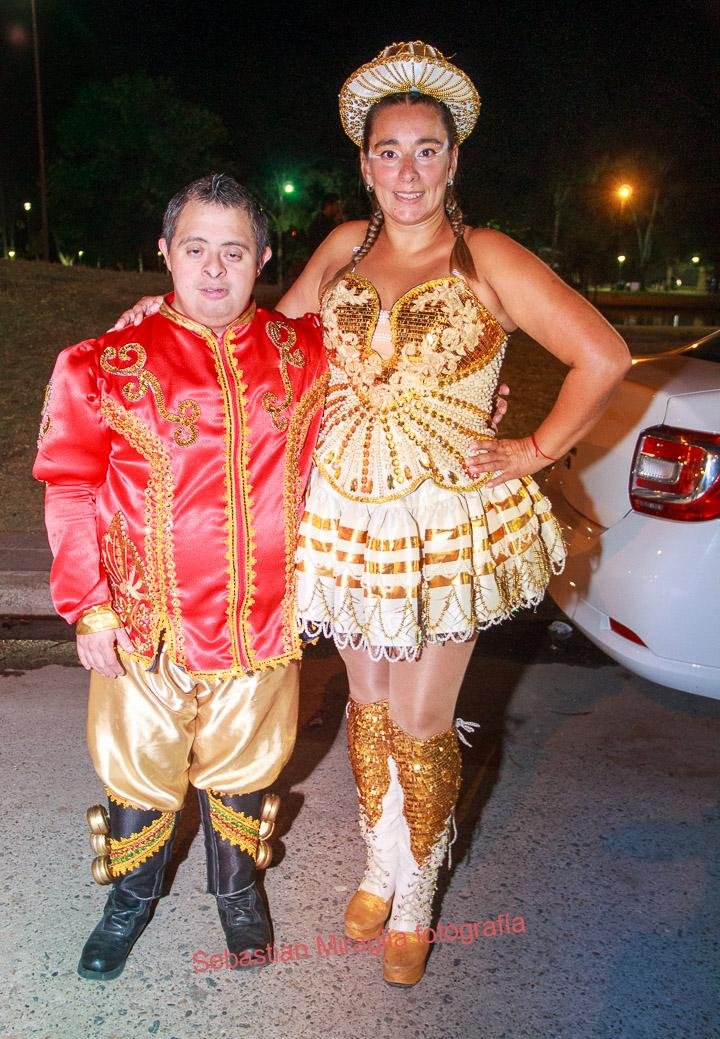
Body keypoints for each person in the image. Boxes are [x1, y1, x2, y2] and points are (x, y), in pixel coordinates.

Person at [113, 41, 631, 989]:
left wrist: (532, 448)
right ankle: (379, 864)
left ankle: (420, 891)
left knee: (425, 720)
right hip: (346, 512)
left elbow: (603, 356)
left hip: (446, 524)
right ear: (364, 163)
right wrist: (169, 315)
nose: (408, 171)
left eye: (427, 150)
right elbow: (267, 340)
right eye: (389, 152)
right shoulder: (346, 246)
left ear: (453, 160)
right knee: (366, 703)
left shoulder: (488, 256)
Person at [33, 175, 328, 980]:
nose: (213, 269)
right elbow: (70, 487)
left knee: (248, 765)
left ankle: (238, 893)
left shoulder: (307, 356)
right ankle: (128, 902)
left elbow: (390, 400)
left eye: (234, 251)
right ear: (165, 252)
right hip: (144, 629)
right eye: (195, 249)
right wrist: (89, 608)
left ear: (263, 258)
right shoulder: (102, 364)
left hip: (263, 621)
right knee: (138, 767)